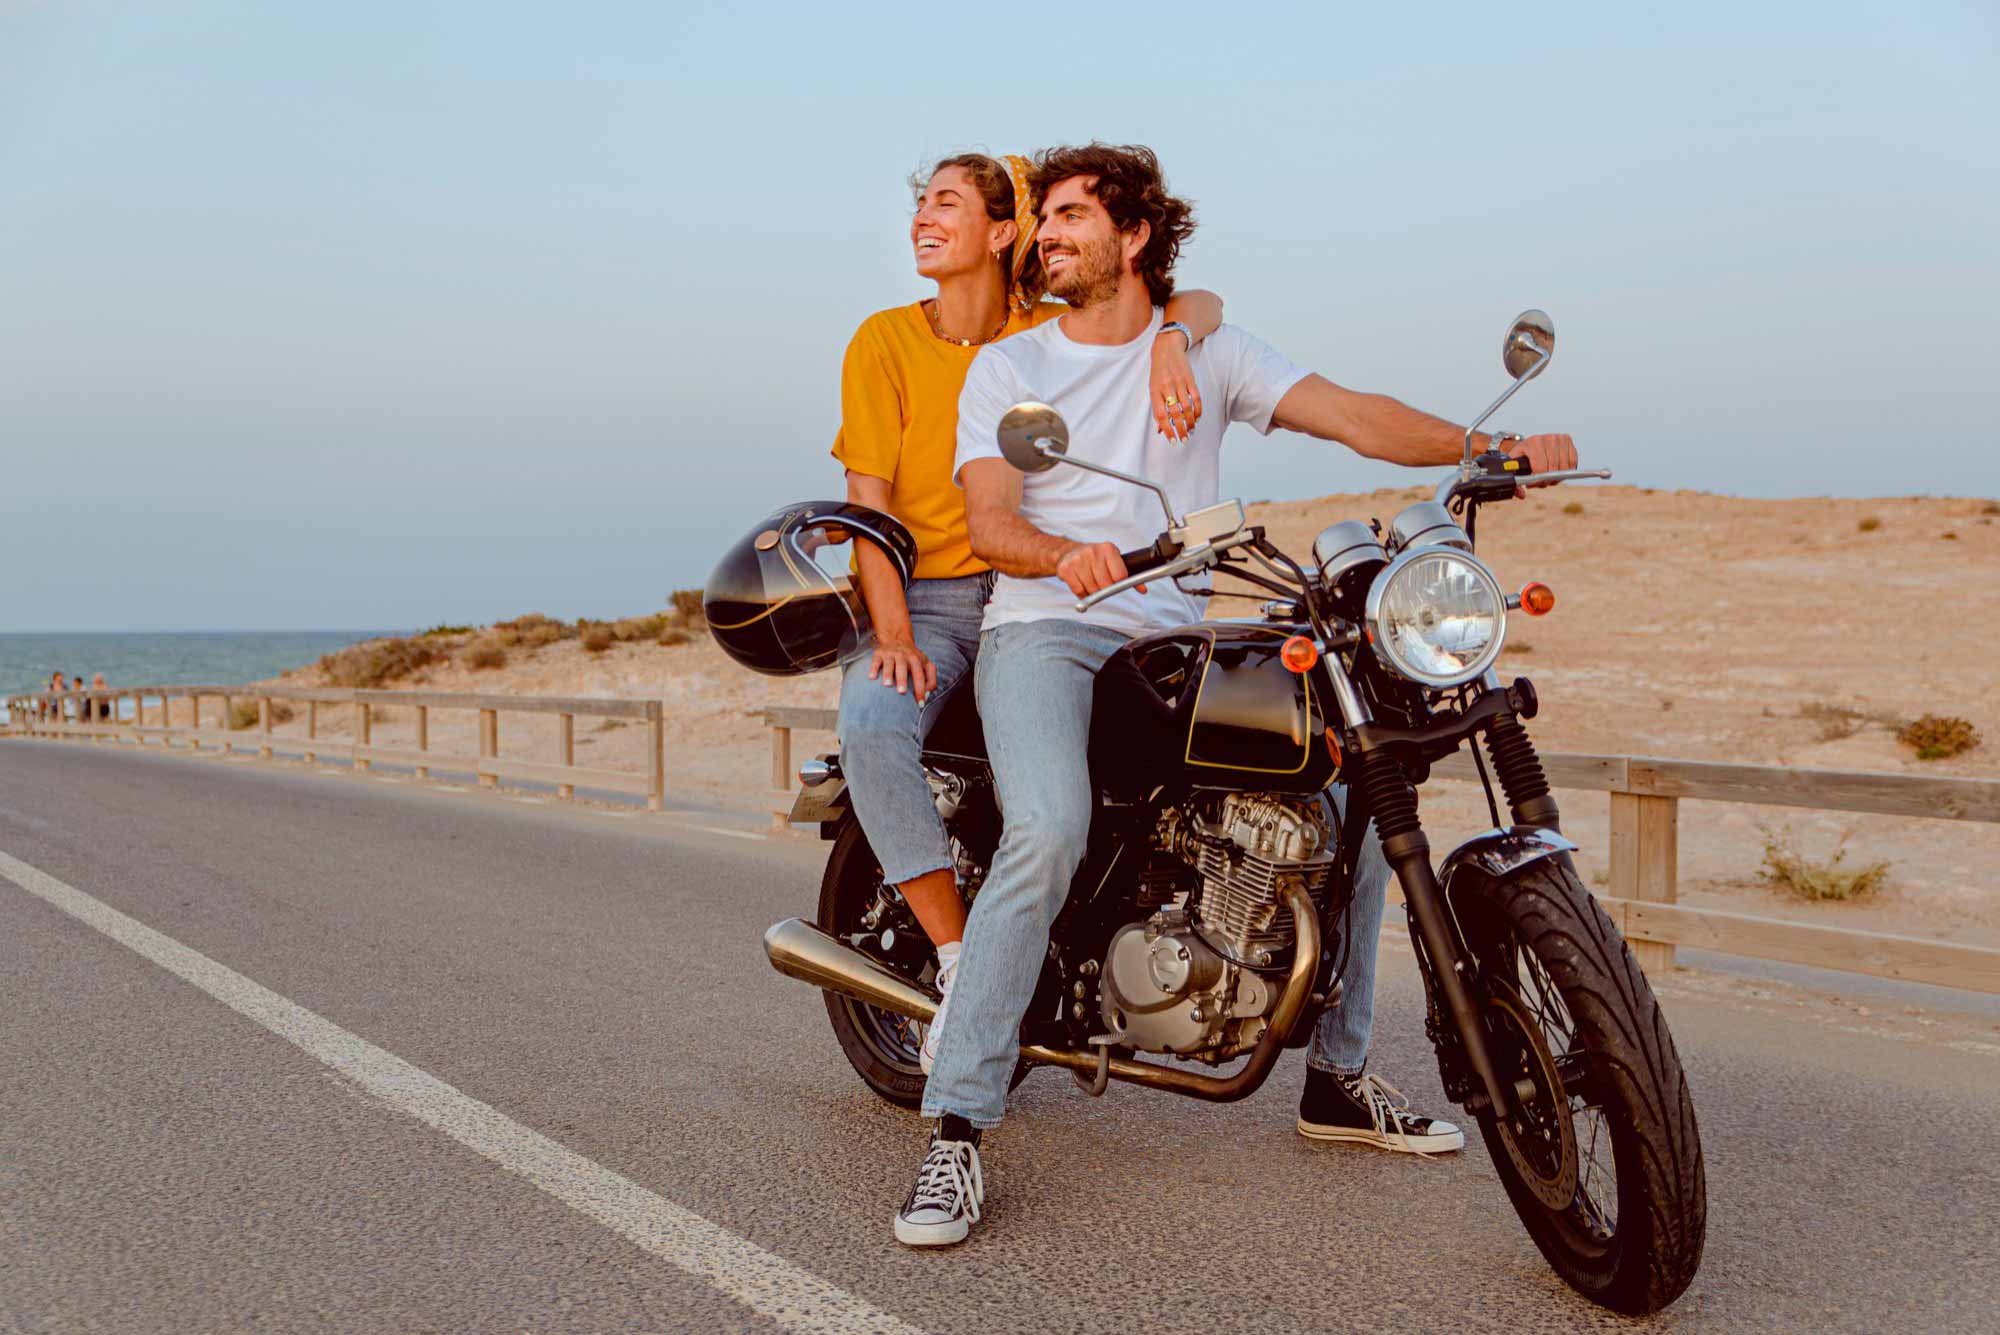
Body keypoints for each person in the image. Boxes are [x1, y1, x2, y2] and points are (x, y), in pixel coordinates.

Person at [895, 143, 1581, 1246]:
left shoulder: (1204, 350)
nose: (1048, 235)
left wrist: (1487, 444)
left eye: (1072, 216)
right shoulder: (1012, 371)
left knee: (1356, 798)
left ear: (1131, 239)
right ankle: (957, 1127)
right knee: (1048, 829)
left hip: (1177, 629)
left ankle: (1336, 1078)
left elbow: (1351, 415)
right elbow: (986, 520)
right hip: (1051, 629)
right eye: (1044, 219)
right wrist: (1056, 555)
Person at [831, 152, 1225, 1075]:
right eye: (919, 203)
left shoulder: (1042, 330)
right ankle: (964, 953)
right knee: (873, 724)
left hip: (1032, 594)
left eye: (946, 203)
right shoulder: (883, 341)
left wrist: (1173, 338)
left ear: (1000, 233)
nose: (922, 218)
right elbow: (868, 512)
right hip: (927, 595)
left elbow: (1191, 305)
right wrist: (891, 633)